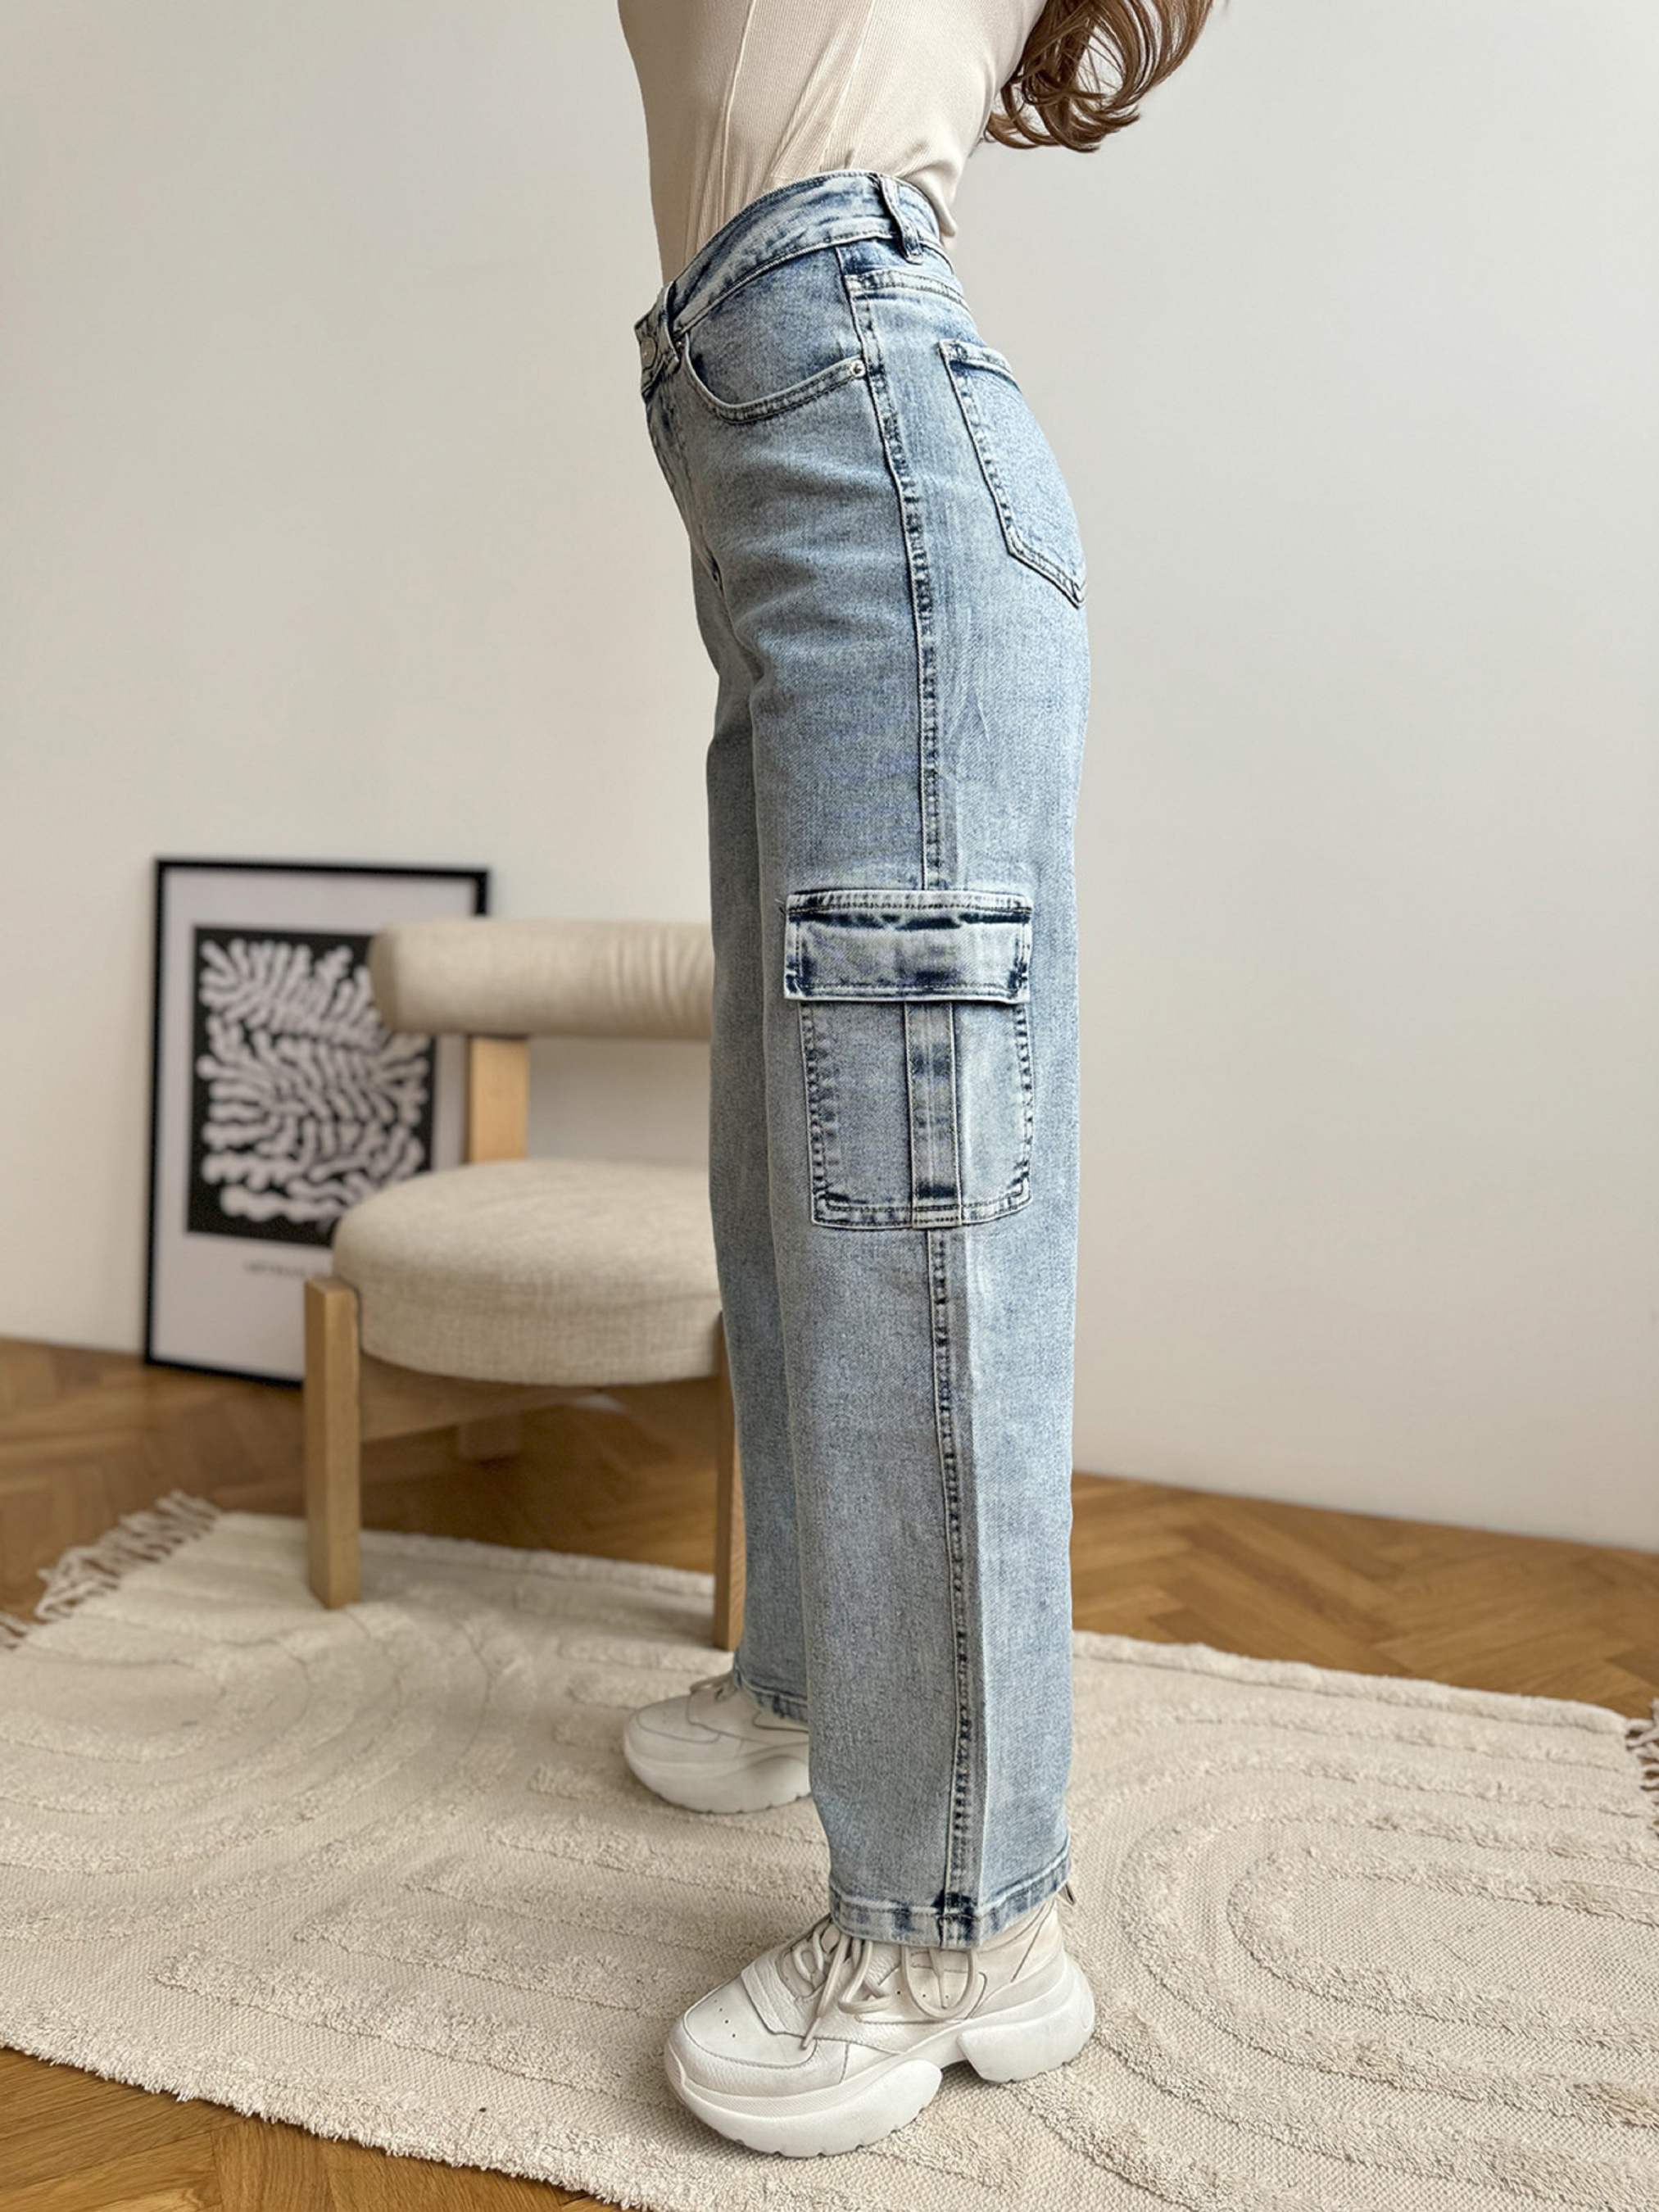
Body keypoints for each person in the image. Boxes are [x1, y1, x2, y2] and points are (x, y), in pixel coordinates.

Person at [615, 0, 1213, 2158]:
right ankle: (808, 1681)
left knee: (908, 1214)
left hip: (857, 443)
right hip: (794, 464)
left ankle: (962, 1922)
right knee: (796, 1166)